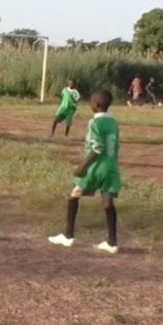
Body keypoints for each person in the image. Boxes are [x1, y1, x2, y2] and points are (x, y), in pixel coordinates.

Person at [48, 89, 121, 254]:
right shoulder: (114, 122)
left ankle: (68, 237)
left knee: (74, 194)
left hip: (96, 167)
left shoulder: (94, 123)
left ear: (95, 105)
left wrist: (83, 166)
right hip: (111, 166)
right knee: (108, 201)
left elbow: (97, 147)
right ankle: (112, 242)